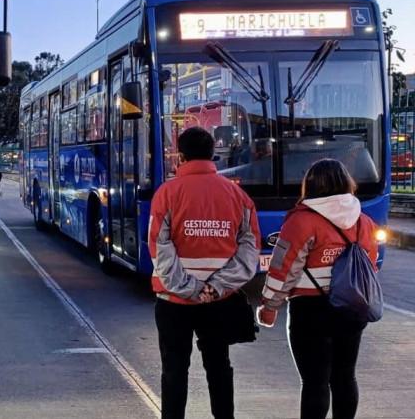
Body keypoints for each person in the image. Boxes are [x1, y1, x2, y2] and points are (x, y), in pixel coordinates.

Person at [148, 127, 260, 419]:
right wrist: (216, 287)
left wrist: (190, 288)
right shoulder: (238, 196)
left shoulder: (167, 194)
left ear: (180, 157)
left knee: (174, 371)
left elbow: (159, 248)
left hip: (174, 302)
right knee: (219, 366)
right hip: (219, 302)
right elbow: (250, 253)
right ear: (214, 155)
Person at [258, 159, 379, 419]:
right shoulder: (364, 222)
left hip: (310, 311)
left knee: (315, 382)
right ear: (347, 183)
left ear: (309, 185)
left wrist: (270, 306)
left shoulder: (300, 221)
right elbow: (370, 266)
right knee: (345, 377)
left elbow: (283, 269)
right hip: (351, 308)